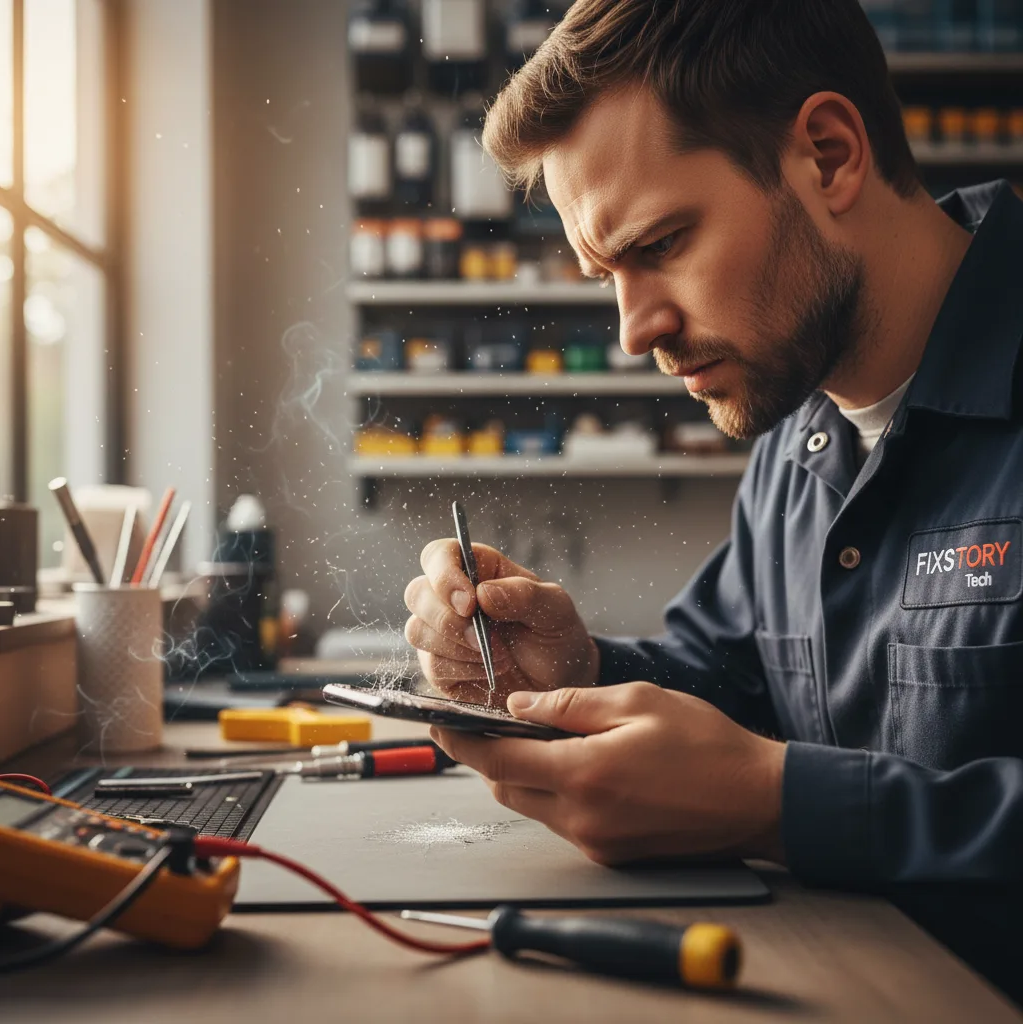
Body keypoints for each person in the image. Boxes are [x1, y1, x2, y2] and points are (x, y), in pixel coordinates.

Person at [402, 0, 1023, 1003]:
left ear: (826, 155)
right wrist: (576, 667)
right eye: (606, 274)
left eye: (660, 243)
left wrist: (781, 806)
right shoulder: (795, 429)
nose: (633, 329)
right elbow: (734, 687)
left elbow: (769, 776)